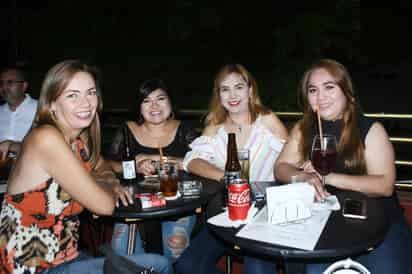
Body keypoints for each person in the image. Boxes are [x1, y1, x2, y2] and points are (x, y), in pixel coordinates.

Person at [0, 60, 172, 274]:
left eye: (90, 92)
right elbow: (105, 206)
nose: (86, 103)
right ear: (52, 104)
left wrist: (110, 182)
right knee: (159, 265)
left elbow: (102, 165)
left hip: (65, 256)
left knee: (155, 264)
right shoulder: (46, 138)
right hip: (32, 266)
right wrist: (109, 187)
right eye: (72, 95)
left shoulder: (77, 139)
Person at [257, 58, 410, 274]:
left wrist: (327, 178)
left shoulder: (369, 129)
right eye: (313, 90)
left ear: (346, 91)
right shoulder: (304, 128)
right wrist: (303, 177)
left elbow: (384, 185)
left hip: (378, 221)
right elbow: (281, 167)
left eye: (329, 87)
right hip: (323, 220)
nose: (320, 97)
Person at [175, 64, 288, 274]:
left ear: (250, 90)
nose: (232, 95)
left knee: (257, 270)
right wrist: (225, 177)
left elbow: (291, 158)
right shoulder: (214, 126)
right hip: (227, 212)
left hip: (264, 216)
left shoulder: (267, 120)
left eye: (238, 87)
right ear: (218, 95)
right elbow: (191, 160)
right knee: (186, 266)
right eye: (225, 89)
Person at [106, 78, 199, 261]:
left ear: (171, 103)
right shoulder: (128, 130)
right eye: (146, 101)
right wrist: (134, 164)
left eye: (161, 99)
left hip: (179, 204)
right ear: (139, 107)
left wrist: (159, 160)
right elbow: (108, 164)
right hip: (133, 205)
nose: (154, 106)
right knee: (121, 247)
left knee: (175, 244)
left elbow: (201, 163)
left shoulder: (184, 130)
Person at [0, 65, 38, 157]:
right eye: (1, 83)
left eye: (10, 82)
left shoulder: (40, 109)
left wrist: (12, 146)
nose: (4, 88)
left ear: (24, 86)